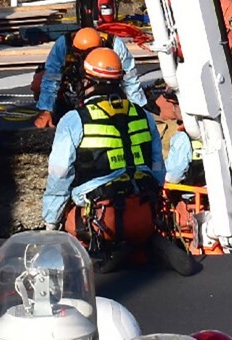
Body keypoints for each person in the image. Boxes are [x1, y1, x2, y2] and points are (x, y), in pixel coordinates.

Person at [40, 46, 192, 275]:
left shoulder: (74, 120)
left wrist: (51, 223)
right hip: (144, 215)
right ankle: (144, 244)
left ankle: (99, 256)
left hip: (103, 221)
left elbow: (60, 174)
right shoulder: (143, 116)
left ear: (88, 81)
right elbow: (157, 169)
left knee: (68, 217)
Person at [34, 24, 146, 126]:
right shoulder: (63, 44)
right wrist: (46, 110)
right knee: (39, 80)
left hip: (106, 86)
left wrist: (138, 109)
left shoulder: (115, 45)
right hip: (73, 85)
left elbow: (130, 80)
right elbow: (51, 77)